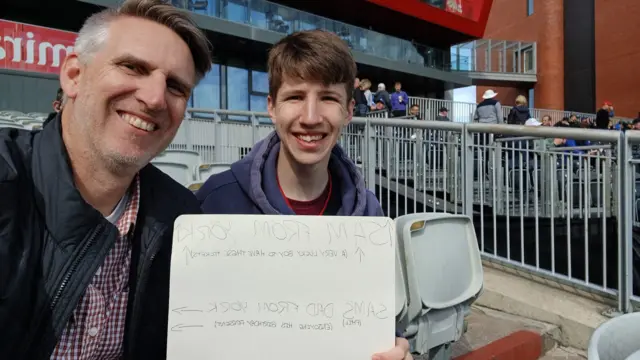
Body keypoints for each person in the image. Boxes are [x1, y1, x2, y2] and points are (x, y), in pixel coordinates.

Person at [0, 0, 212, 358]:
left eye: (176, 87)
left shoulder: (182, 219)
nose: (155, 98)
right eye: (132, 67)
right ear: (73, 75)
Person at [196, 29, 411, 360]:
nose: (310, 118)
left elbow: (376, 319)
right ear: (272, 107)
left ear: (349, 111)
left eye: (328, 98)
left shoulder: (369, 212)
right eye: (295, 97)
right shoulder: (217, 201)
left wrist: (394, 348)